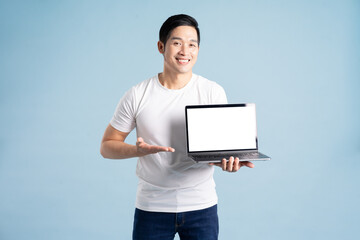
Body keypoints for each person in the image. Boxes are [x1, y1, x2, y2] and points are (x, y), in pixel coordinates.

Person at [100, 14, 255, 240]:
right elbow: (106, 146)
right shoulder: (138, 94)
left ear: (198, 50)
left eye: (192, 44)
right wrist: (138, 151)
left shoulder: (213, 91)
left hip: (202, 206)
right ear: (161, 46)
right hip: (152, 207)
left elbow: (220, 148)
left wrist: (229, 161)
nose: (185, 51)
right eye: (177, 43)